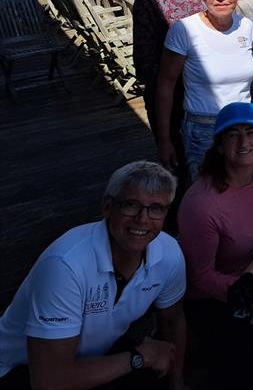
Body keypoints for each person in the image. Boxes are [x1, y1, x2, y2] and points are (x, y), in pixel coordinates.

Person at [0, 162, 186, 390]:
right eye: (130, 205)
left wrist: (176, 384)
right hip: (20, 369)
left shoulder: (168, 253)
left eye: (156, 208)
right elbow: (49, 381)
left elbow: (172, 319)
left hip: (94, 355)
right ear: (107, 206)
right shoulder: (66, 265)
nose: (143, 219)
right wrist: (139, 357)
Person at [178, 102, 253, 389]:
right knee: (252, 372)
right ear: (219, 145)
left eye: (250, 132)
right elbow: (200, 277)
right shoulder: (202, 204)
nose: (244, 142)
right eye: (232, 135)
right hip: (211, 296)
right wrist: (252, 291)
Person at [156, 0, 253, 182]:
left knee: (240, 190)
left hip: (243, 127)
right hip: (203, 130)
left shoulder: (246, 27)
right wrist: (164, 140)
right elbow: (165, 86)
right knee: (206, 198)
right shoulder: (184, 30)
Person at [133, 0, 205, 181]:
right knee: (178, 173)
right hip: (171, 103)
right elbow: (145, 64)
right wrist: (163, 137)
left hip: (206, 100)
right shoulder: (148, 0)